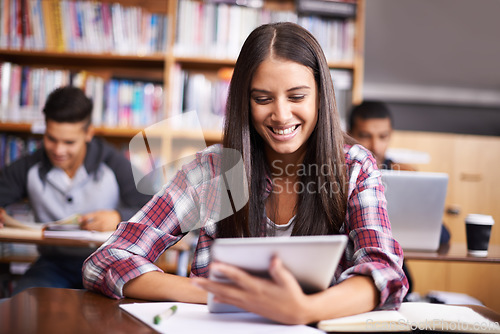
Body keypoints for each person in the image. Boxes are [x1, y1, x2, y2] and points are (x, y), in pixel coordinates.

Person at [83, 22, 408, 325]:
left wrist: (303, 309)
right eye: (263, 99)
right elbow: (107, 259)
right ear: (244, 101)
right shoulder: (212, 171)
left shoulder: (354, 167)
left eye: (297, 96)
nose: (281, 115)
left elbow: (384, 272)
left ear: (321, 97)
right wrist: (214, 293)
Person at [0, 86, 151, 294]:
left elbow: (153, 208)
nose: (58, 150)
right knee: (19, 305)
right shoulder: (29, 166)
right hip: (52, 266)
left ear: (89, 134)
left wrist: (119, 216)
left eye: (69, 142)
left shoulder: (114, 163)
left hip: (107, 265)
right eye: (51, 139)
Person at [348, 100, 451, 299]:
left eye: (383, 137)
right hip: (349, 266)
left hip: (392, 271)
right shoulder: (341, 172)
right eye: (365, 136)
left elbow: (442, 235)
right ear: (349, 133)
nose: (375, 146)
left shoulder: (406, 174)